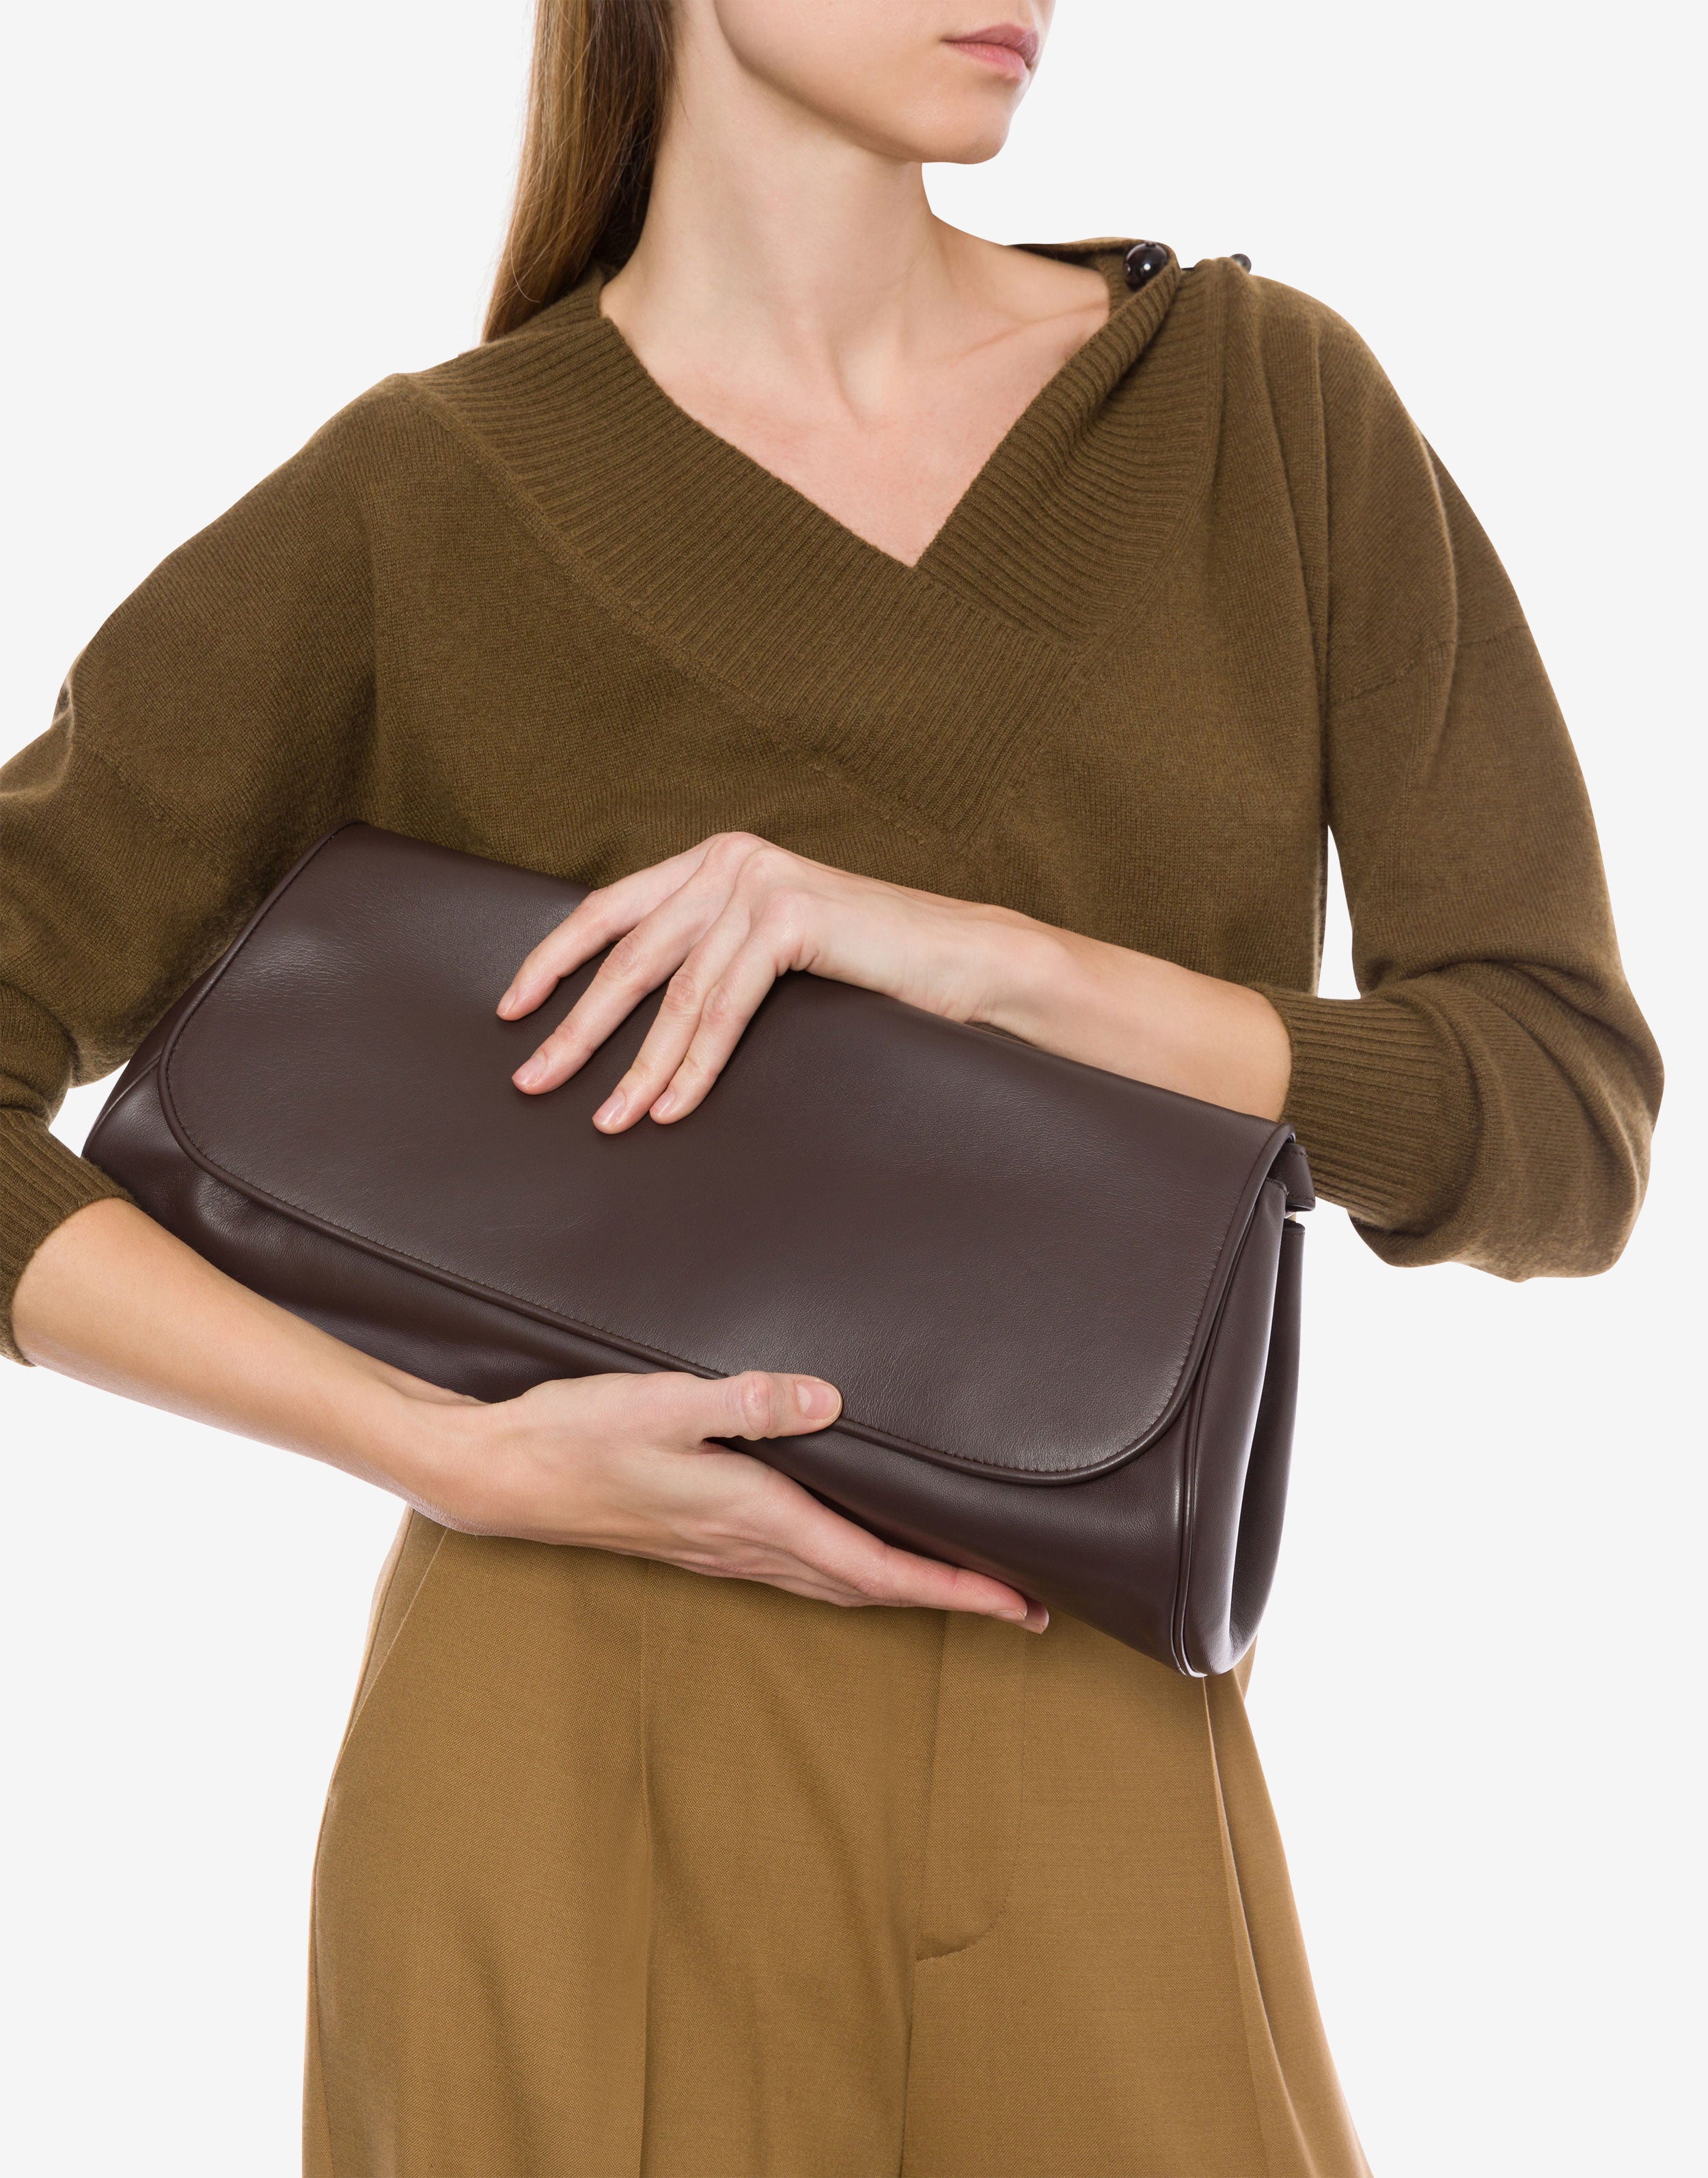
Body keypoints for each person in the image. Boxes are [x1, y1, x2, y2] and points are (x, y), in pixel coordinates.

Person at [1, 2, 1661, 2172]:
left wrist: (1004, 966)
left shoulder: (1256, 411)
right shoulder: (426, 496)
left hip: (1092, 1741)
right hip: (556, 1759)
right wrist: (441, 1448)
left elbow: (1555, 1125)